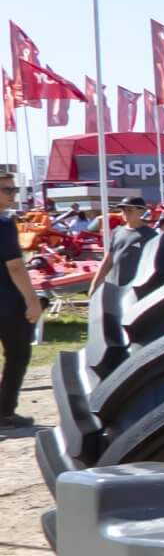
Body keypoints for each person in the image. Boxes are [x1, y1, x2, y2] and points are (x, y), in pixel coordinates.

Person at [0, 175, 42, 429]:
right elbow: (15, 266)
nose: (13, 194)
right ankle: (4, 412)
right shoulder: (4, 224)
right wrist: (32, 300)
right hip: (7, 302)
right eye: (7, 189)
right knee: (17, 355)